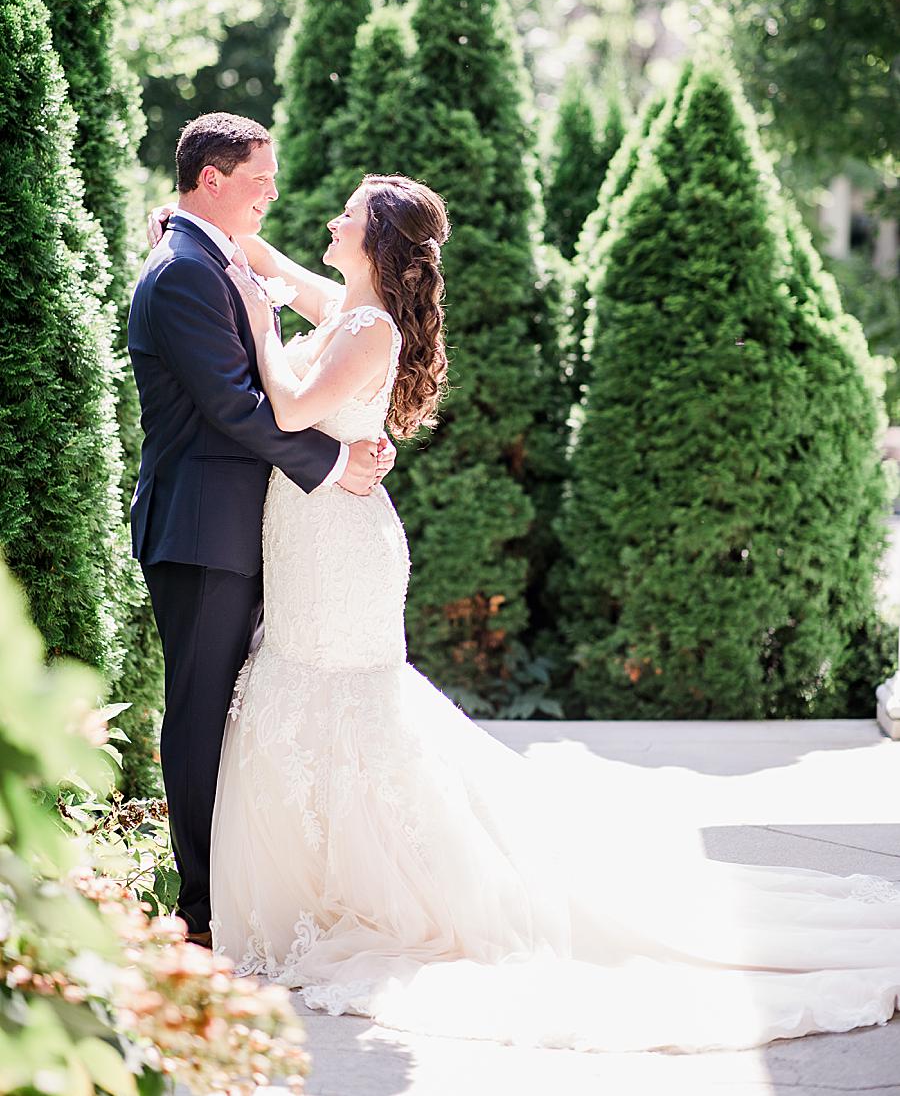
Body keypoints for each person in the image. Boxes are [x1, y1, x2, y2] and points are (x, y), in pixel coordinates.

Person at [208, 170, 900, 1053]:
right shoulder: (349, 307)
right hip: (311, 534)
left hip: (341, 546)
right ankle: (328, 882)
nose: (331, 222)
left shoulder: (369, 328)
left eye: (348, 215)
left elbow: (296, 405)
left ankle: (391, 890)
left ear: (376, 243)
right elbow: (290, 276)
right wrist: (231, 245)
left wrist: (262, 326)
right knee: (315, 698)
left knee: (350, 704)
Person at [129, 112, 394, 947]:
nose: (273, 194)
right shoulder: (183, 273)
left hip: (245, 532)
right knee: (202, 716)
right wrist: (331, 461)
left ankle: (243, 891)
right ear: (210, 179)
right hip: (203, 533)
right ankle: (204, 911)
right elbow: (234, 406)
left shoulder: (214, 257)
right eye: (257, 179)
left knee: (239, 713)